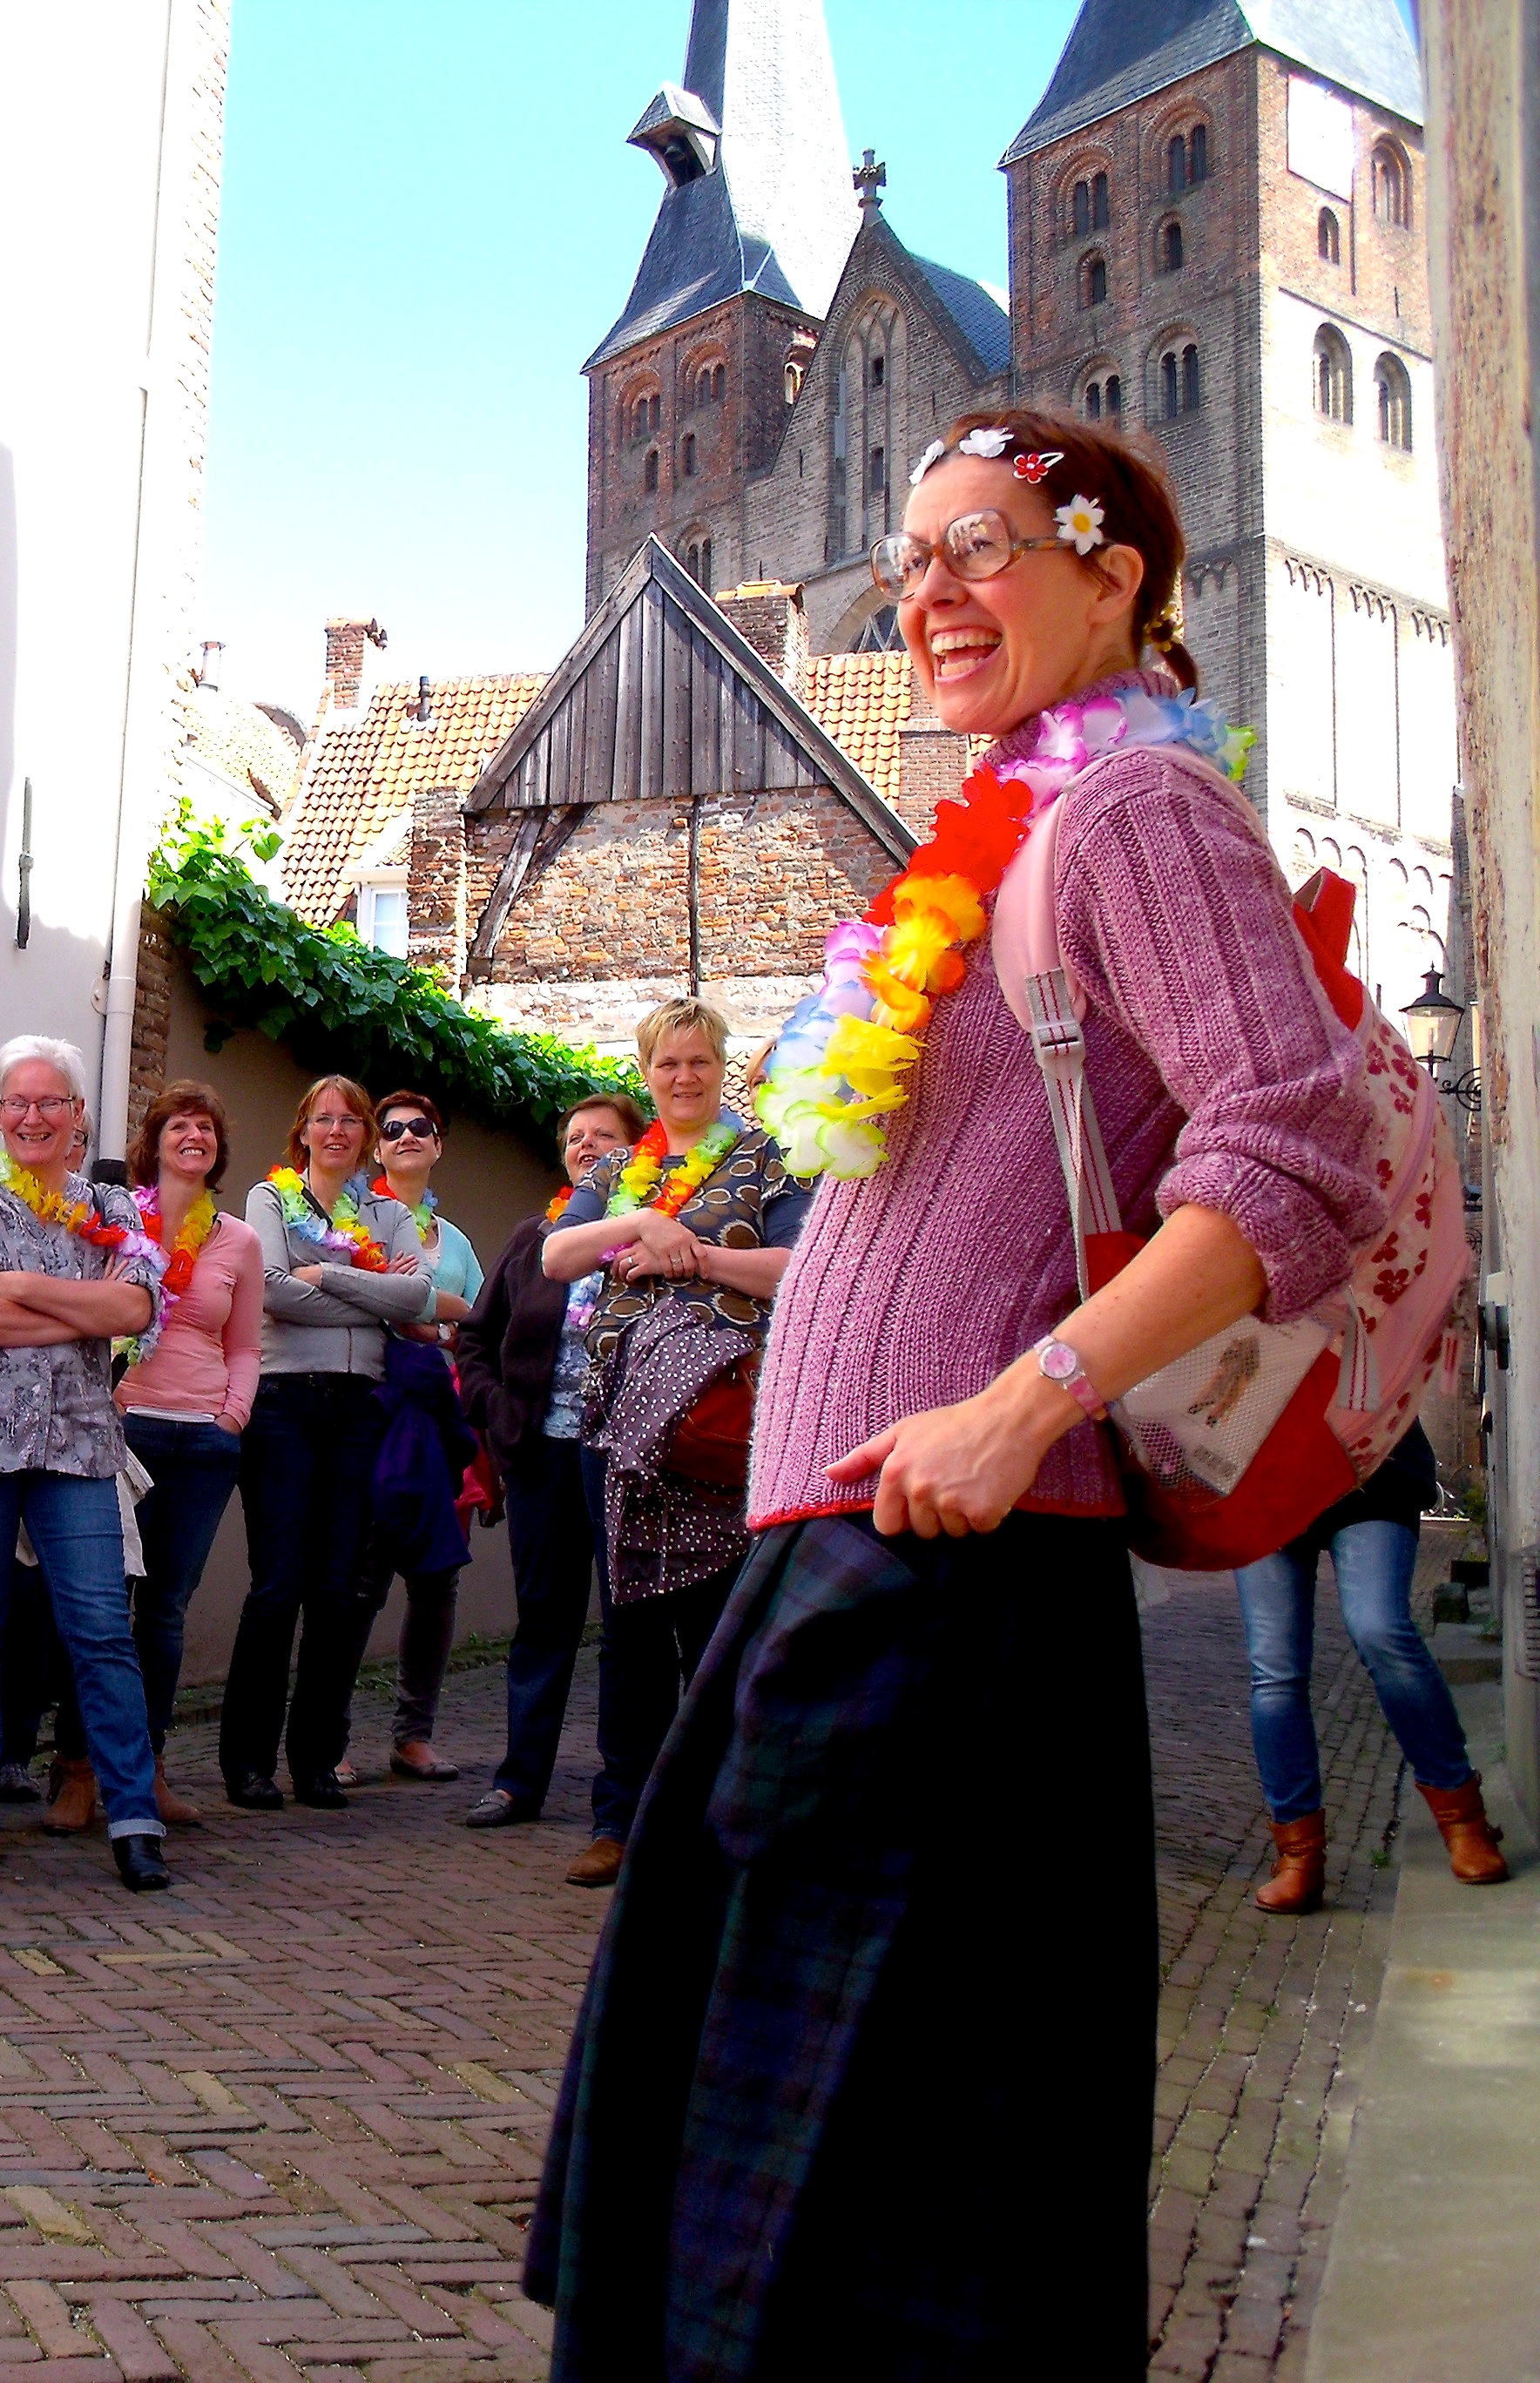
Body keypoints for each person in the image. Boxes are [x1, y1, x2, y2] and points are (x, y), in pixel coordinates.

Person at [528, 410, 1387, 2375]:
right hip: (851, 1543)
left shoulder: (1139, 818)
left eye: (983, 545)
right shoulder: (1005, 822)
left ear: (1114, 580)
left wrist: (1023, 1406)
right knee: (802, 2155)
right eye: (912, 557)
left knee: (870, 2187)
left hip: (948, 1565)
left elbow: (1291, 1154)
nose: (930, 591)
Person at [536, 999, 807, 1888]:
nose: (683, 1078)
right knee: (630, 1629)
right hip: (612, 1426)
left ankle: (720, 1822)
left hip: (717, 1425)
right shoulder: (619, 1167)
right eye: (667, 1064)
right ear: (644, 1072)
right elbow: (556, 1258)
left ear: (721, 1066)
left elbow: (799, 1270)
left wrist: (691, 1254)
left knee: (719, 1624)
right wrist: (637, 1225)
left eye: (698, 1062)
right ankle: (622, 1822)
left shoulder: (769, 1160)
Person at [0, 1036, 169, 1890]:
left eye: (51, 1102)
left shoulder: (116, 1209)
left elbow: (138, 1303)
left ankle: (134, 1821)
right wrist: (83, 1312)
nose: (34, 1116)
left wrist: (20, 1287)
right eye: (18, 1103)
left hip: (77, 1445)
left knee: (101, 1631)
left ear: (78, 1118)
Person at [220, 1077, 436, 1810]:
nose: (338, 1130)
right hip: (283, 1405)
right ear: (302, 1130)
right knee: (279, 1584)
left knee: (338, 1591)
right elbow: (274, 1289)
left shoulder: (386, 1211)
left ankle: (315, 1759)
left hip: (358, 1411)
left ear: (368, 1136)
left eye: (352, 1120)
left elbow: (419, 1299)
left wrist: (329, 1274)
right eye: (324, 1119)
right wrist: (367, 1286)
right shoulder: (270, 1200)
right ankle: (248, 1764)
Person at [54, 1081, 258, 1831]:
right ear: (155, 1140)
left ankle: (152, 1770)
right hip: (121, 1430)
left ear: (217, 1149)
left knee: (165, 1611)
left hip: (202, 1438)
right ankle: (76, 1772)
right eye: (180, 1125)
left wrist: (231, 1416)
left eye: (206, 1127)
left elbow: (244, 1344)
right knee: (102, 1607)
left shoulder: (238, 1239)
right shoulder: (114, 1219)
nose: (193, 1136)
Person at [454, 1092, 645, 1835]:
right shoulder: (535, 1237)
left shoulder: (653, 1235)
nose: (587, 1146)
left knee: (631, 1623)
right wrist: (500, 1416)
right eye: (576, 1137)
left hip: (628, 1458)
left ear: (637, 1148)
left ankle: (629, 1790)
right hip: (544, 1455)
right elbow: (476, 1337)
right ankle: (518, 1781)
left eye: (605, 1136)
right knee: (545, 1620)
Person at [1236, 1421, 1510, 1908]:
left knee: (1380, 1629)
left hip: (1371, 1467)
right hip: (1265, 1476)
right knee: (1275, 1671)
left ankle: (1465, 1822)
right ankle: (1300, 1856)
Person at [349, 1089, 483, 1786]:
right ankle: (329, 1737)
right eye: (391, 1128)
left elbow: (483, 1320)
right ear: (377, 1148)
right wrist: (431, 1318)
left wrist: (430, 1319)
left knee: (434, 1582)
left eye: (419, 1128)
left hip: (435, 1424)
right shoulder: (351, 1220)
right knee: (357, 1577)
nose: (405, 1136)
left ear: (438, 1145)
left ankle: (413, 1735)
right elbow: (350, 1300)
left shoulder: (453, 1241)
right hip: (371, 1414)